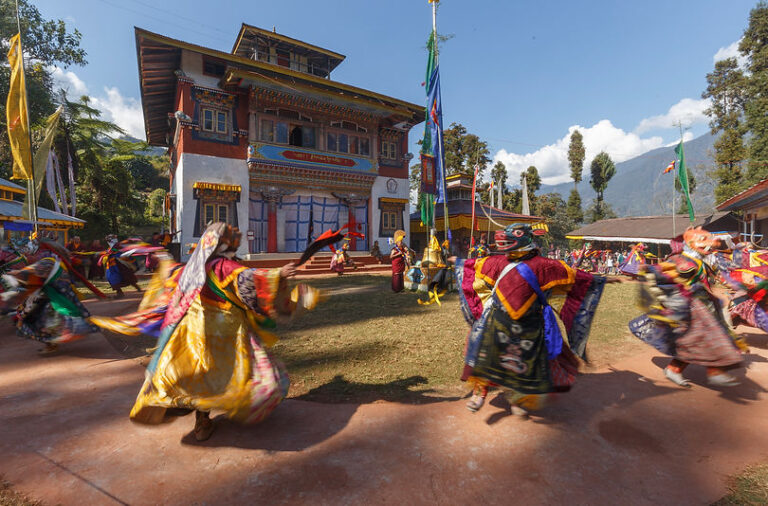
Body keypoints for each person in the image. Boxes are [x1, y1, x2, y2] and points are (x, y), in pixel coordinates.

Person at [126, 223, 321, 441]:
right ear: (226, 244)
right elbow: (250, 281)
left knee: (201, 375)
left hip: (192, 332)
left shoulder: (192, 266)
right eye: (233, 241)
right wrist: (279, 273)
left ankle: (202, 421)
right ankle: (234, 405)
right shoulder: (222, 266)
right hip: (225, 331)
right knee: (238, 372)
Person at [452, 223, 612, 416]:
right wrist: (455, 261)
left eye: (514, 235)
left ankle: (517, 398)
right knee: (486, 357)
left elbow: (574, 276)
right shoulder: (498, 261)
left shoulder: (544, 265)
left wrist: (604, 279)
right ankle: (479, 393)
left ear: (526, 238)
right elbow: (474, 265)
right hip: (497, 320)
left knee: (523, 365)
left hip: (529, 325)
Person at [629, 227, 747, 388]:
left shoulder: (702, 261)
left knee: (696, 343)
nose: (711, 245)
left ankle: (674, 369)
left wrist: (738, 248)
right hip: (691, 310)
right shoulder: (682, 260)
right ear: (691, 244)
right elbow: (663, 271)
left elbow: (729, 267)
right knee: (705, 340)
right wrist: (649, 269)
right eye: (704, 241)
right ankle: (714, 371)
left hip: (705, 308)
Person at [0, 241, 101, 354]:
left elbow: (31, 274)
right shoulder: (47, 260)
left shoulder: (47, 261)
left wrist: (15, 274)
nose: (25, 256)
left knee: (44, 318)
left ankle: (56, 341)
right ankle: (52, 343)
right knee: (36, 317)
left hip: (57, 297)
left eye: (27, 253)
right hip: (51, 294)